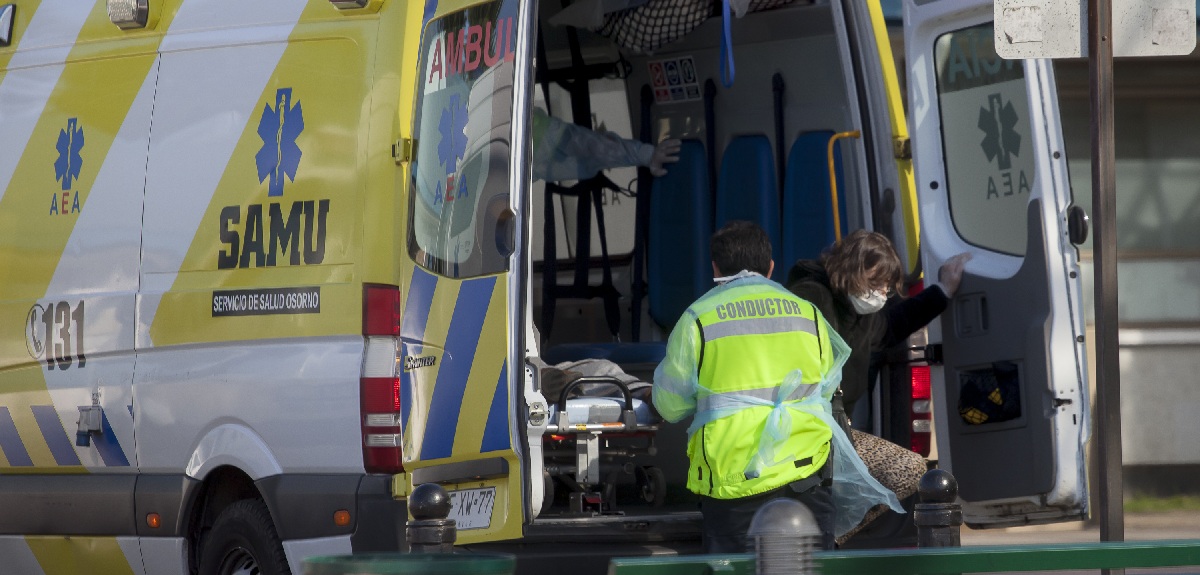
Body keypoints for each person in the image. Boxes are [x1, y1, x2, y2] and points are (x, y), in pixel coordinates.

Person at [653, 220, 901, 552]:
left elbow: (669, 405)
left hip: (735, 484)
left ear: (715, 267)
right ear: (770, 267)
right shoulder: (808, 314)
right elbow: (828, 390)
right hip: (807, 476)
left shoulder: (698, 318)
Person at [785, 229, 969, 544]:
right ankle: (817, 537)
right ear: (849, 272)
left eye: (886, 286)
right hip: (798, 431)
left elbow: (891, 326)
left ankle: (827, 537)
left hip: (837, 433)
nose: (881, 293)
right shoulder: (811, 295)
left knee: (910, 469)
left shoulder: (861, 311)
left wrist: (941, 292)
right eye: (875, 283)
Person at [530, 107, 681, 182]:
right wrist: (645, 155)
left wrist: (646, 155)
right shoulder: (526, 172)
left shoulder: (547, 135)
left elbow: (595, 148)